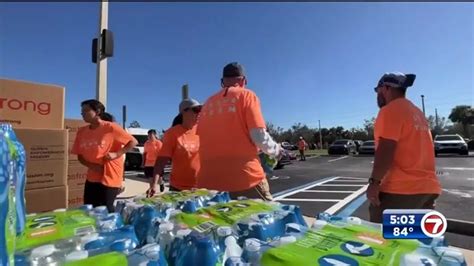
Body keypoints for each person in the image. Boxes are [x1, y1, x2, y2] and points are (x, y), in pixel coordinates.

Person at [196, 62, 282, 200]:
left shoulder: (207, 104)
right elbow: (258, 136)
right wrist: (276, 151)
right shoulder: (247, 95)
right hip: (244, 178)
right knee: (269, 217)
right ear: (243, 80)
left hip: (208, 181)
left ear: (222, 82)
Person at [367, 72, 441, 223]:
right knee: (415, 243)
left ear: (386, 88)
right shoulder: (417, 113)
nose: (377, 95)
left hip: (400, 192)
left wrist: (374, 183)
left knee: (384, 240)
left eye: (378, 90)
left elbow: (386, 149)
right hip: (427, 190)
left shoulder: (390, 110)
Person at [72, 99, 138, 212]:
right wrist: (92, 166)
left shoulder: (111, 127)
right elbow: (80, 156)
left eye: (86, 110)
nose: (82, 113)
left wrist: (116, 154)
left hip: (110, 175)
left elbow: (133, 142)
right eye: (81, 111)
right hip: (92, 177)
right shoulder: (81, 132)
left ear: (97, 111)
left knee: (105, 210)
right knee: (89, 208)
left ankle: (112, 229)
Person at [147, 99, 202, 196]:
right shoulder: (172, 133)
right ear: (184, 112)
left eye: (201, 110)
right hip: (178, 188)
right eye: (196, 110)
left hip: (200, 187)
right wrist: (154, 184)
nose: (199, 113)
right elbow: (161, 162)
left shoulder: (202, 129)